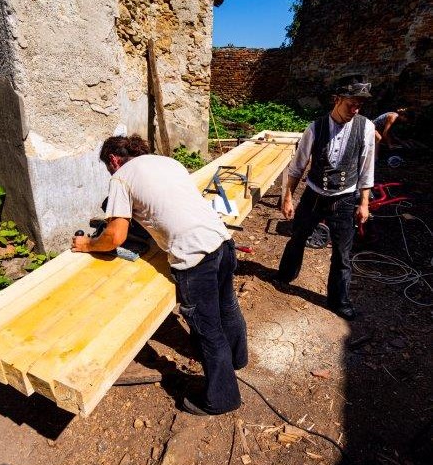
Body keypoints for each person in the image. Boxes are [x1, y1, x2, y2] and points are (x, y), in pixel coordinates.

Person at [71, 134, 247, 415]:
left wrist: (88, 245)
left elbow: (115, 236)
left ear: (113, 160)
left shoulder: (121, 177)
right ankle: (237, 358)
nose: (110, 172)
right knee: (227, 305)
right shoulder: (167, 162)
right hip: (222, 242)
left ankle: (222, 399)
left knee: (207, 328)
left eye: (108, 167)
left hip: (195, 258)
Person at [276, 76, 375, 321]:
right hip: (313, 196)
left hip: (344, 199)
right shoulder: (315, 127)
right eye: (350, 104)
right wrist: (287, 197)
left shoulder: (366, 128)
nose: (355, 110)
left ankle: (339, 300)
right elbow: (297, 166)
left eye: (359, 105)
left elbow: (366, 168)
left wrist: (364, 203)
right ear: (337, 99)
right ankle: (286, 274)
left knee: (342, 252)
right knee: (297, 237)